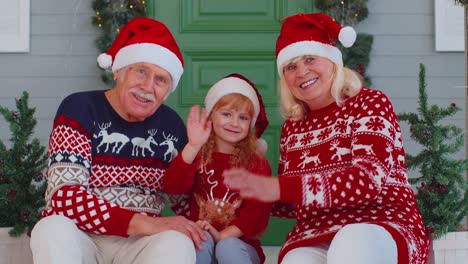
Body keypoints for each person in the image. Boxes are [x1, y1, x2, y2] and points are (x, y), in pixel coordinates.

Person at [223, 13, 429, 264]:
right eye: (291, 67)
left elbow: (367, 181)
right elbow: (294, 201)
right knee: (295, 260)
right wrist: (248, 188)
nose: (301, 72)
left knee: (350, 243)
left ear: (333, 62)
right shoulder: (293, 127)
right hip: (315, 232)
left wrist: (276, 187)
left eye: (310, 59)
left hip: (380, 223)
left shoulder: (370, 103)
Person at [30, 17, 207, 264]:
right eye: (141, 71)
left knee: (177, 241)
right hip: (83, 236)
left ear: (168, 91)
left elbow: (184, 202)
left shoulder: (172, 125)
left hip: (141, 243)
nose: (147, 86)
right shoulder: (79, 109)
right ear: (119, 72)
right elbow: (64, 197)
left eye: (161, 80)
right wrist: (142, 222)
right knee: (51, 228)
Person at [164, 73, 272, 264]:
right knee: (199, 240)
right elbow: (173, 187)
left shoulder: (256, 163)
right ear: (211, 115)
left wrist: (222, 236)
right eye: (226, 114)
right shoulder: (198, 154)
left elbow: (256, 215)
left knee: (227, 246)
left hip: (240, 246)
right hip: (201, 238)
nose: (234, 123)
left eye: (243, 117)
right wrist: (193, 147)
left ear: (251, 123)